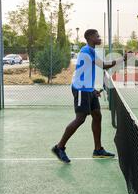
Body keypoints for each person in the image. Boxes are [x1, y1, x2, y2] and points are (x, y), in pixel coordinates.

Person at [51, 29, 130, 164]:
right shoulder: (87, 51)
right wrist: (123, 58)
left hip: (88, 89)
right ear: (89, 38)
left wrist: (93, 90)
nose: (99, 38)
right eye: (97, 36)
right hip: (81, 89)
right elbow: (104, 65)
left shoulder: (90, 50)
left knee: (97, 115)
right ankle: (59, 147)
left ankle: (98, 150)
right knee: (80, 119)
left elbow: (88, 72)